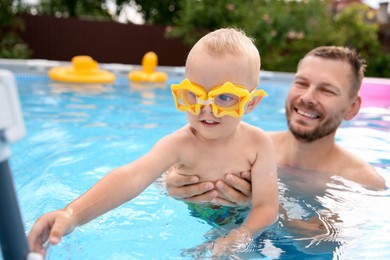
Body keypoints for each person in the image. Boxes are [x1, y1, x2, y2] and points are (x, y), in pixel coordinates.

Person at [28, 28, 279, 256]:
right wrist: (71, 214)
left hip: (245, 222)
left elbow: (267, 207)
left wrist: (240, 235)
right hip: (196, 217)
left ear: (251, 103)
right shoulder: (180, 143)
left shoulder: (258, 144)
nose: (207, 109)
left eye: (224, 97)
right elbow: (131, 177)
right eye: (193, 95)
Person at [165, 45, 386, 207]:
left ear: (352, 108)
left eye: (326, 90)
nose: (307, 97)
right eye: (301, 83)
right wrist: (174, 183)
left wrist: (262, 204)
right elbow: (165, 175)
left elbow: (331, 244)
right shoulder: (246, 145)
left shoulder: (363, 182)